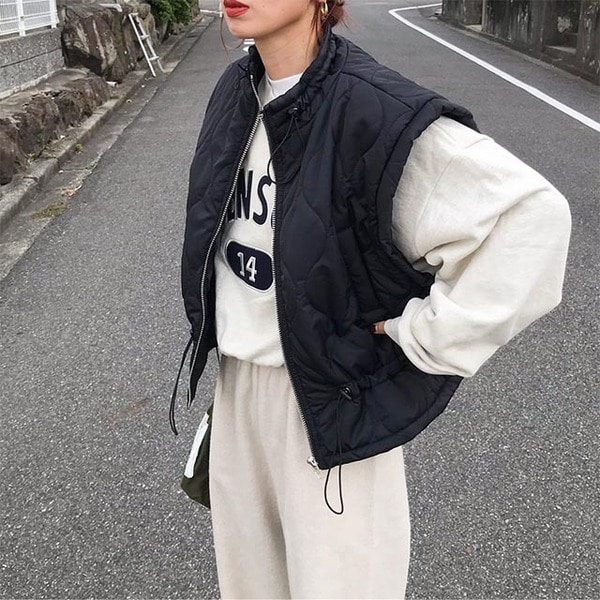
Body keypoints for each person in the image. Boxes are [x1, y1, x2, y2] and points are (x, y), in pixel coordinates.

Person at [174, 0, 572, 597]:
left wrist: (424, 335)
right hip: (237, 393)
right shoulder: (237, 90)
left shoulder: (372, 109)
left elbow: (533, 219)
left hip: (326, 411)